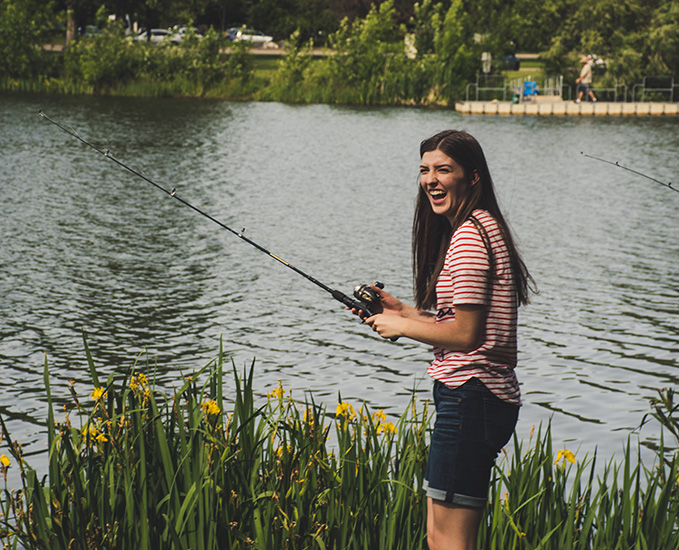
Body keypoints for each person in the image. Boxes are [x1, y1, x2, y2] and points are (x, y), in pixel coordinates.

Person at [356, 130, 535, 550]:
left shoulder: (470, 237)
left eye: (443, 169)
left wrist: (400, 328)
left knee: (449, 542)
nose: (431, 179)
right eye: (424, 170)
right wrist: (404, 311)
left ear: (473, 176)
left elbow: (466, 335)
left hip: (471, 396)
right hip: (476, 397)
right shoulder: (483, 226)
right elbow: (460, 320)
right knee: (439, 536)